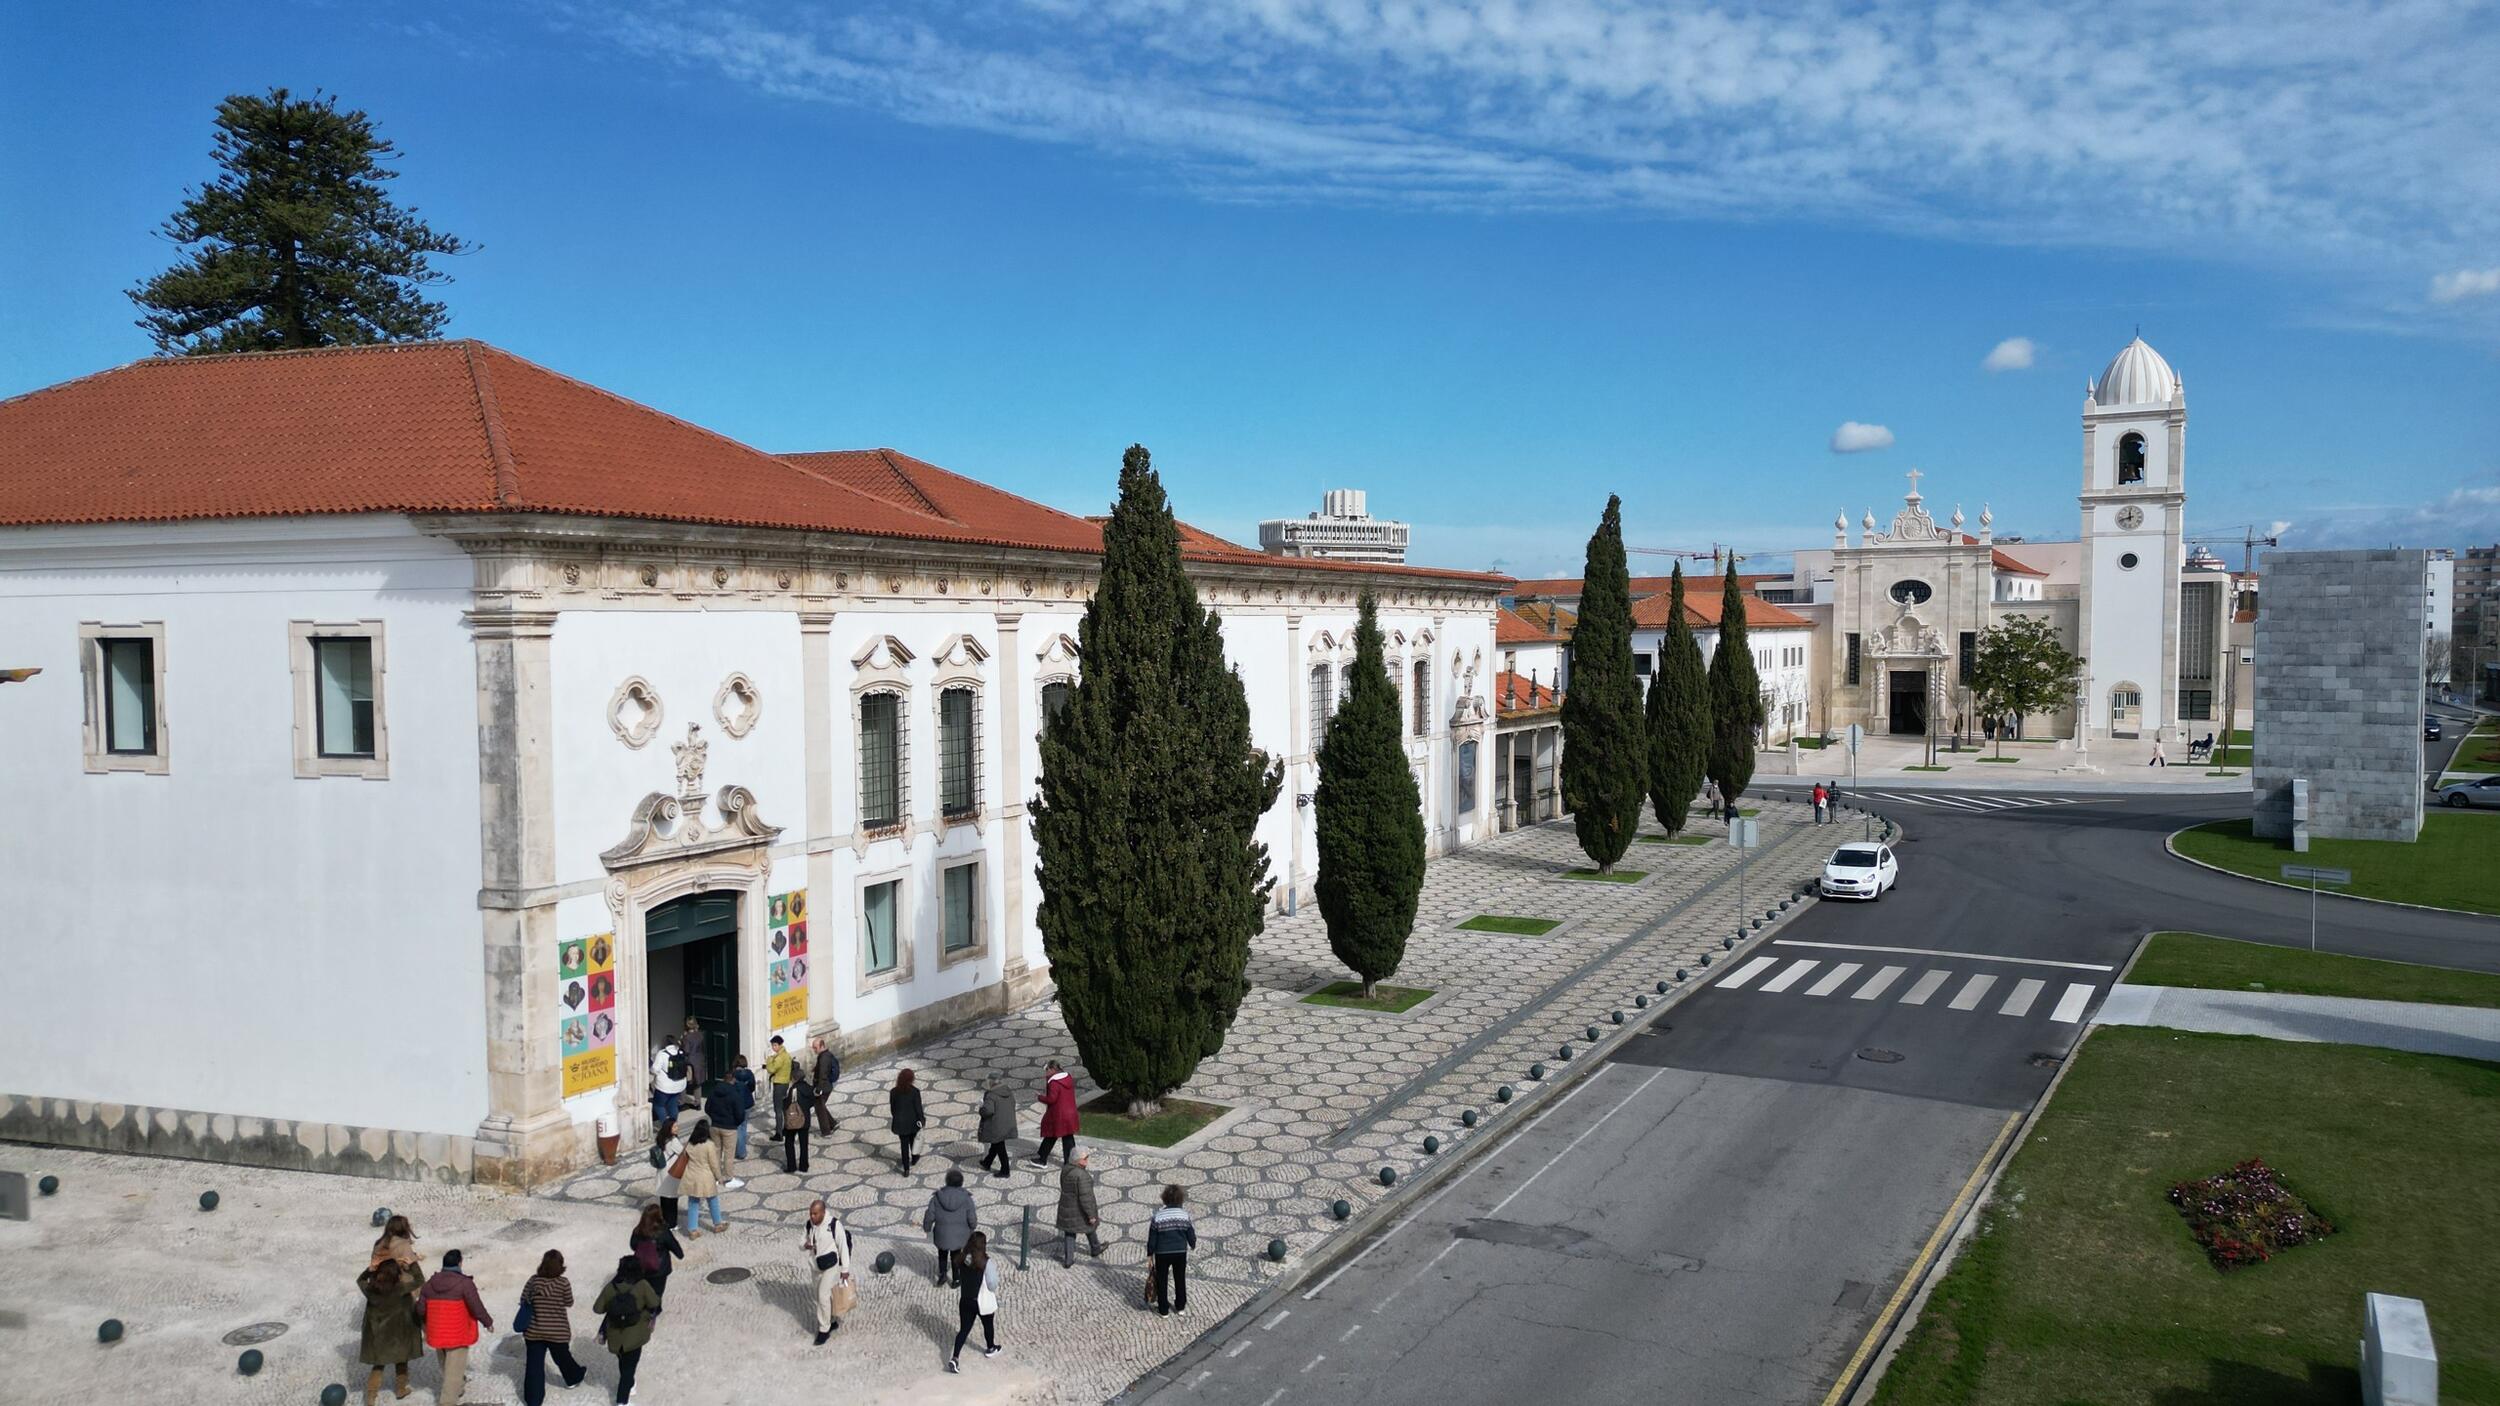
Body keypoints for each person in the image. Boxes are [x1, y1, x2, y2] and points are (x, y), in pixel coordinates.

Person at [419, 1248, 493, 1406]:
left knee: (446, 1365)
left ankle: (459, 1387)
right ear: (460, 1263)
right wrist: (488, 1322)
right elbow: (476, 1307)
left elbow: (420, 1310)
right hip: (457, 1333)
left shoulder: (428, 1285)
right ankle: (447, 1402)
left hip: (437, 1332)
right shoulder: (465, 1284)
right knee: (453, 1371)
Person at [520, 1250, 589, 1405]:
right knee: (562, 1357)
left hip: (534, 1331)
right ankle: (574, 1377)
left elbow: (523, 1299)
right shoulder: (563, 1283)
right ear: (560, 1265)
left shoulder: (533, 1281)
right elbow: (569, 1302)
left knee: (534, 1366)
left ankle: (533, 1400)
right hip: (557, 1331)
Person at [592, 1255, 660, 1406]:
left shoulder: (611, 1287)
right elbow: (654, 1302)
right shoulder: (642, 1285)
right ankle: (622, 1401)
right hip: (635, 1336)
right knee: (629, 1368)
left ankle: (629, 1385)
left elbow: (597, 1309)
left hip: (615, 1335)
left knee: (623, 1362)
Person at [355, 1257, 422, 1404]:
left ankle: (371, 1397)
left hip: (378, 1336)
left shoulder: (372, 1290)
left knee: (378, 1365)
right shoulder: (400, 1289)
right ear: (396, 1274)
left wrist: (369, 1270)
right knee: (401, 1361)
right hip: (398, 1335)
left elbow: (360, 1281)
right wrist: (412, 1265)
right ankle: (400, 1389)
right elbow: (419, 1281)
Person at [946, 1230, 1002, 1373]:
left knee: (964, 1330)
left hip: (965, 1300)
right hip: (981, 1301)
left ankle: (955, 1358)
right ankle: (990, 1347)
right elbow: (992, 1284)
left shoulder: (961, 1259)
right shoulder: (987, 1263)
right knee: (988, 1324)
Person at [801, 1199, 854, 1346]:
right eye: (810, 1213)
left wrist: (845, 1270)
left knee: (822, 1295)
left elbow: (843, 1246)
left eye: (815, 1214)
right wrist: (805, 1245)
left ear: (823, 1213)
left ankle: (824, 1329)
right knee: (823, 1296)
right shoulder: (809, 1225)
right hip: (815, 1266)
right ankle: (832, 1319)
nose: (812, 1216)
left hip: (831, 1266)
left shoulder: (834, 1225)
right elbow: (800, 1243)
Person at [923, 1168, 979, 1287]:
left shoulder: (937, 1197)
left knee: (942, 1254)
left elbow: (930, 1215)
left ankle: (942, 1275)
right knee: (956, 1255)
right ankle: (956, 1279)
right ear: (961, 1182)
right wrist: (972, 1227)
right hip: (959, 1236)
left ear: (947, 1181)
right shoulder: (966, 1199)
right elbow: (972, 1218)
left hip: (941, 1234)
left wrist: (927, 1228)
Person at [1147, 1184, 1196, 1318]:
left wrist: (1150, 1254)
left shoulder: (1158, 1216)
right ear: (1180, 1199)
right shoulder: (1184, 1215)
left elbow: (1152, 1238)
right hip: (1180, 1252)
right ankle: (1180, 1306)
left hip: (1162, 1253)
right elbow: (1190, 1234)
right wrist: (1192, 1244)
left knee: (1161, 1280)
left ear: (1164, 1199)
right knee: (1180, 1278)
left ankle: (1163, 1309)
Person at [629, 1203, 684, 1307]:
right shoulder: (662, 1231)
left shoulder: (638, 1230)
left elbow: (633, 1245)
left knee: (644, 1289)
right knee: (657, 1292)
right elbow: (673, 1245)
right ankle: (654, 1311)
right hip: (660, 1269)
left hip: (642, 1267)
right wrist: (680, 1255)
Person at [679, 1118, 727, 1237]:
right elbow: (714, 1164)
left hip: (691, 1176)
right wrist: (719, 1177)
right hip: (705, 1177)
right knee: (713, 1201)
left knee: (693, 1203)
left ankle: (692, 1229)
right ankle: (717, 1224)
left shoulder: (689, 1144)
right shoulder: (709, 1145)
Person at [1055, 1150, 1103, 1267]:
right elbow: (1086, 1198)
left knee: (1069, 1232)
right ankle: (1095, 1248)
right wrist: (1091, 1215)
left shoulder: (1066, 1169)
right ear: (1078, 1160)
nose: (1087, 1159)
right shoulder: (1082, 1176)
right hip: (1079, 1209)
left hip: (1066, 1207)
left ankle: (1068, 1259)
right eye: (1085, 1158)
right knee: (1090, 1227)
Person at [1028, 1060, 1078, 1168]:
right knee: (1068, 1138)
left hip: (1059, 1114)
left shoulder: (1054, 1083)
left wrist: (1039, 1097)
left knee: (1051, 1135)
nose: (1045, 1073)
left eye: (1046, 1070)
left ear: (1052, 1069)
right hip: (1070, 1113)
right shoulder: (1068, 1078)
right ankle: (1070, 1162)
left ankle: (1042, 1159)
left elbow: (1051, 1099)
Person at [701, 1077, 746, 1188]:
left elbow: (707, 1108)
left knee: (716, 1152)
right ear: (732, 1081)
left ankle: (716, 1176)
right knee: (729, 1154)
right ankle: (727, 1177)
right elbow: (740, 1113)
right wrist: (735, 1123)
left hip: (715, 1126)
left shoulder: (713, 1092)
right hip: (729, 1128)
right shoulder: (734, 1095)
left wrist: (714, 1118)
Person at [977, 1075, 1016, 1178]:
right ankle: (987, 1163)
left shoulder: (991, 1095)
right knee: (996, 1143)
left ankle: (1005, 1170)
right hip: (1007, 1122)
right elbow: (1013, 1103)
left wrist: (981, 1109)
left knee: (1000, 1147)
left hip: (996, 1125)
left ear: (991, 1082)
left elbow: (988, 1111)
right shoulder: (1008, 1091)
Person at [890, 1068, 926, 1174]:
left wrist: (897, 1117)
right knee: (914, 1141)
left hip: (900, 1123)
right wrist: (922, 1120)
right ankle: (914, 1158)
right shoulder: (915, 1092)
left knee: (904, 1145)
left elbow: (893, 1108)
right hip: (913, 1122)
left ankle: (906, 1169)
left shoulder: (893, 1092)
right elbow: (918, 1109)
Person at [651, 1117, 685, 1231]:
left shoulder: (661, 1138)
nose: (677, 1128)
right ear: (669, 1128)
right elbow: (683, 1153)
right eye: (674, 1126)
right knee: (672, 1200)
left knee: (664, 1199)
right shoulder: (673, 1141)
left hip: (662, 1171)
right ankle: (672, 1224)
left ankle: (664, 1221)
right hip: (671, 1172)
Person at [649, 1038, 689, 1128]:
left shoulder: (662, 1054)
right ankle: (674, 1124)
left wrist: (651, 1070)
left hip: (664, 1086)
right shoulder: (681, 1052)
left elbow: (655, 1069)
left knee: (658, 1105)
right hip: (679, 1085)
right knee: (673, 1105)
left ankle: (666, 1126)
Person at [781, 1071, 814, 1174]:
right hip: (805, 1119)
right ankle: (804, 1166)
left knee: (789, 1142)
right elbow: (812, 1102)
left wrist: (783, 1102)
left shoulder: (793, 1090)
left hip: (794, 1119)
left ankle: (792, 1166)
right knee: (804, 1144)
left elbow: (788, 1104)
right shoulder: (809, 1088)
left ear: (794, 1078)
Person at [763, 1035, 796, 1130]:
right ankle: (785, 1127)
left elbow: (771, 1069)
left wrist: (769, 1059)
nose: (773, 1047)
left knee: (777, 1108)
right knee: (783, 1107)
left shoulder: (780, 1057)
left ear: (780, 1045)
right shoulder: (786, 1054)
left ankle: (779, 1132)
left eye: (775, 1045)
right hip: (785, 1083)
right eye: (772, 1045)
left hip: (779, 1084)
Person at [810, 1036, 841, 1135]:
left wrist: (818, 1090)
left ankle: (826, 1132)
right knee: (821, 1107)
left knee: (819, 1108)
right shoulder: (826, 1055)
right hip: (826, 1085)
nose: (814, 1050)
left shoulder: (824, 1058)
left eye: (815, 1047)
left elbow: (823, 1075)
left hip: (824, 1087)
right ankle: (833, 1124)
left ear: (821, 1046)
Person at [680, 1015, 708, 1094]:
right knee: (698, 1083)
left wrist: (681, 1042)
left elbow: (686, 1050)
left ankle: (681, 1102)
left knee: (684, 1081)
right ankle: (697, 1102)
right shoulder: (700, 1035)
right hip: (699, 1060)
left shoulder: (687, 1037)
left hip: (690, 1062)